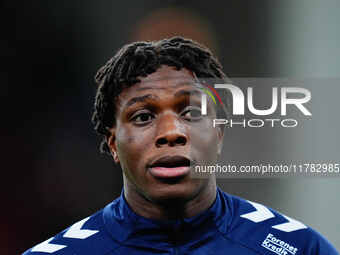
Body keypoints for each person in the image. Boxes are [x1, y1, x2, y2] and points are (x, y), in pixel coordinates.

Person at [23, 37, 338, 255]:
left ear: (219, 133)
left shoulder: (299, 248)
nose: (171, 132)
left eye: (191, 112)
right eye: (144, 116)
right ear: (113, 143)